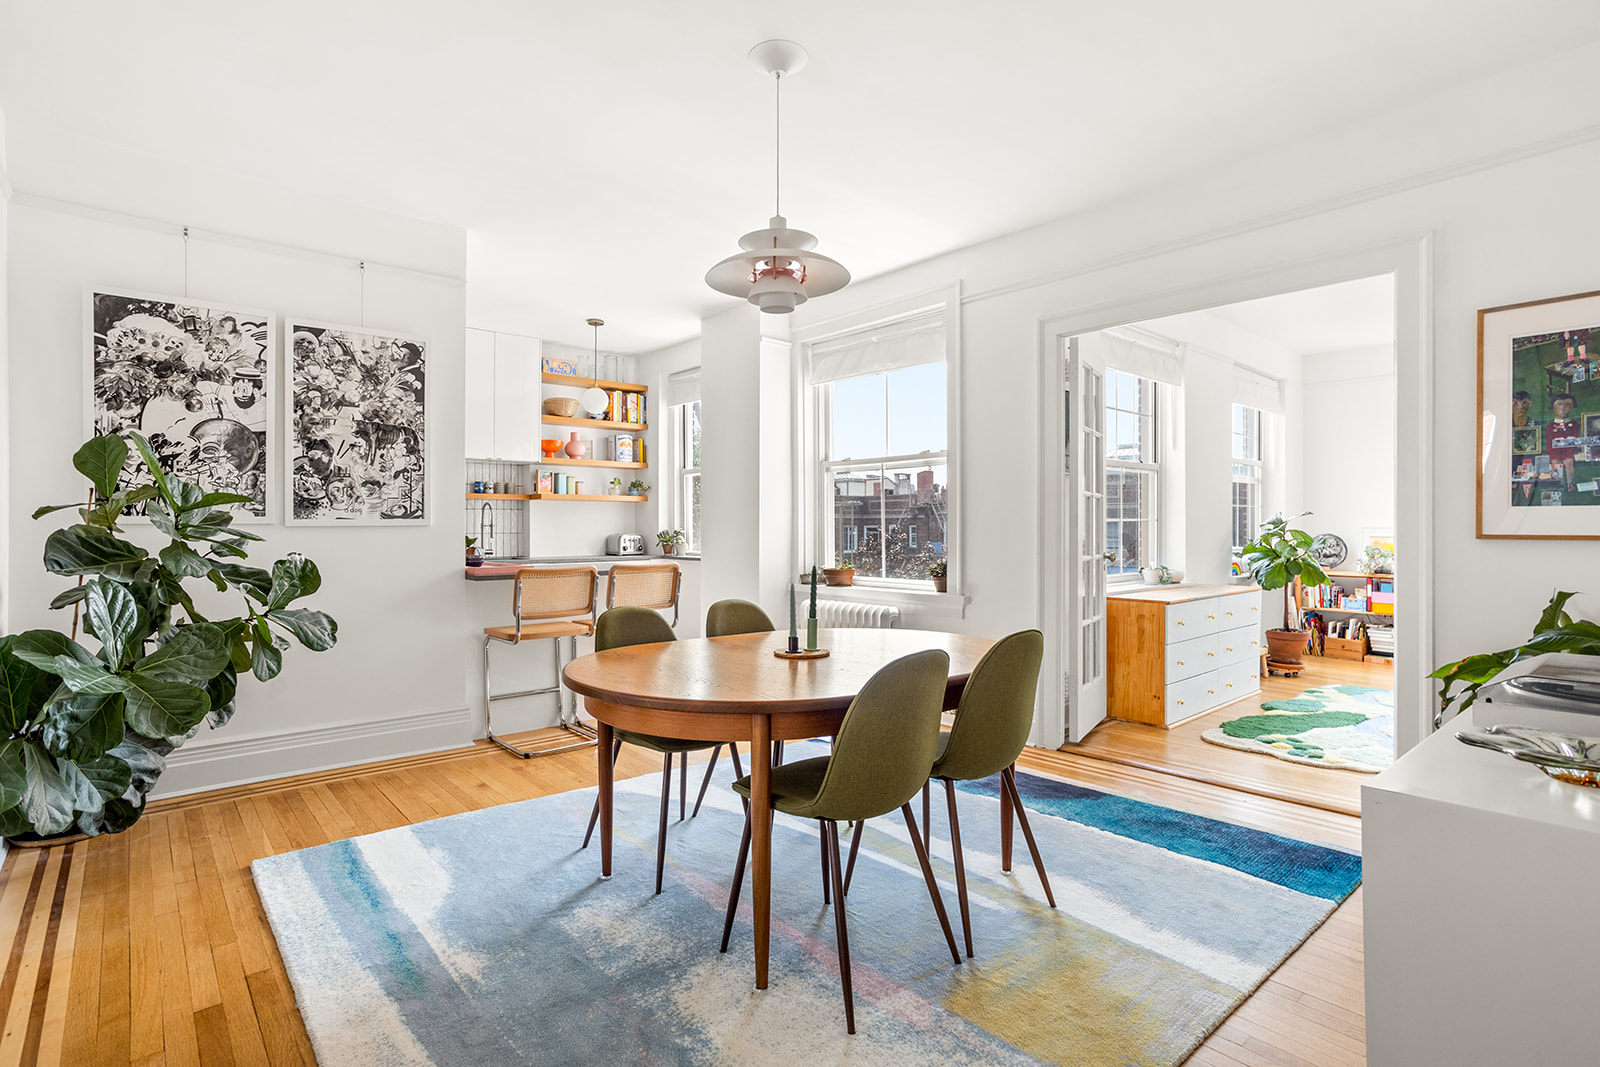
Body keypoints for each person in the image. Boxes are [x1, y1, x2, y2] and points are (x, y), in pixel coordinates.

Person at [1544, 392, 1579, 492]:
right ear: (1553, 407)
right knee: (1555, 463)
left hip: (1569, 452)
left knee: (1569, 462)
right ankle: (1557, 485)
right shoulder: (1550, 426)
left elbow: (1575, 439)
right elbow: (1549, 442)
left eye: (1567, 405)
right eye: (1559, 404)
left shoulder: (1575, 425)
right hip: (1555, 452)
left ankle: (1570, 485)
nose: (1563, 408)